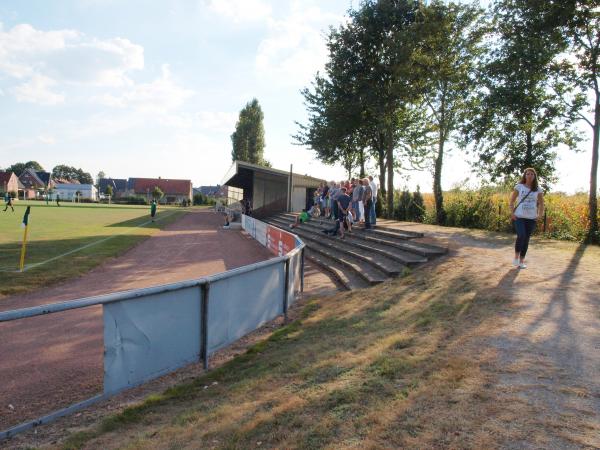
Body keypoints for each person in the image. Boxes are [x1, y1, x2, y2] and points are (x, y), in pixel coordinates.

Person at [509, 168, 544, 269]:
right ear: (525, 176)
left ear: (534, 177)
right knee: (521, 235)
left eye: (532, 174)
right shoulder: (519, 187)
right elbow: (511, 201)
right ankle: (516, 257)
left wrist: (540, 215)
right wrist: (512, 213)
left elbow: (541, 204)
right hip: (519, 216)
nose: (530, 176)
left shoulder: (538, 189)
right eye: (528, 174)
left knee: (527, 239)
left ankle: (521, 261)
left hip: (531, 218)